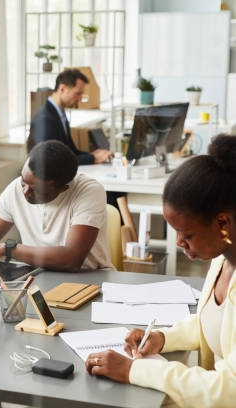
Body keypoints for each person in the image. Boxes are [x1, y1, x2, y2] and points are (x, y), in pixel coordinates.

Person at [85, 134, 236, 407]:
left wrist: (132, 370)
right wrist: (162, 337)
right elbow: (214, 322)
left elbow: (229, 389)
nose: (179, 243)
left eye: (186, 234)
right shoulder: (223, 256)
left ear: (222, 222)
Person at [0, 140, 113, 271]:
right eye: (23, 181)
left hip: (89, 277)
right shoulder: (16, 188)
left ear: (63, 188)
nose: (25, 191)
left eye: (36, 189)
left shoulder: (89, 191)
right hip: (37, 276)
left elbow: (71, 259)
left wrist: (7, 249)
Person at [26, 69, 113, 165]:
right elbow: (51, 160)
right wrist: (92, 158)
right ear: (62, 89)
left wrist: (94, 155)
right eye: (78, 93)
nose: (80, 98)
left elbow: (70, 152)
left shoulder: (60, 114)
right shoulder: (45, 118)